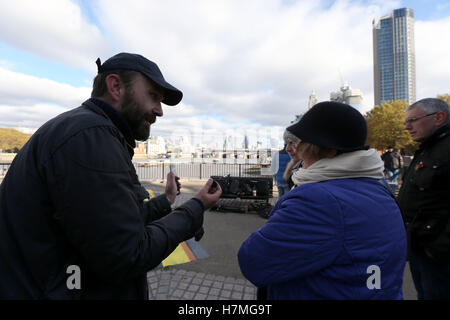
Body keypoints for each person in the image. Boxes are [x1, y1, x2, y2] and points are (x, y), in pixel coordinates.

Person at [0, 52, 222, 299]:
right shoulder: (90, 138)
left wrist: (167, 200)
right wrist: (195, 208)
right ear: (116, 86)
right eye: (153, 96)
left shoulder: (85, 130)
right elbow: (127, 254)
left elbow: (110, 223)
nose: (159, 111)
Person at [238, 101, 407, 299]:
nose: (299, 157)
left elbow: (254, 261)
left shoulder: (317, 200)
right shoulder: (378, 186)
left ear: (328, 150)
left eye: (303, 147)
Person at [397, 98, 450, 300]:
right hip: (422, 248)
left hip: (437, 254)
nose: (406, 127)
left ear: (438, 117)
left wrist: (439, 249)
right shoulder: (428, 148)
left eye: (413, 120)